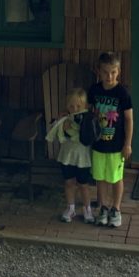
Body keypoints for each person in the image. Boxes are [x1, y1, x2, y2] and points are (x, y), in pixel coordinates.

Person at [87, 51, 133, 228]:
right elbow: (89, 114)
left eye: (113, 72)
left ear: (118, 71)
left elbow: (129, 119)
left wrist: (127, 143)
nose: (109, 76)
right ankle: (103, 207)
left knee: (116, 177)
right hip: (99, 143)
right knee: (100, 178)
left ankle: (116, 208)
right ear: (99, 71)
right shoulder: (94, 90)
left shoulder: (122, 93)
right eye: (106, 72)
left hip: (116, 144)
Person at [45, 87, 96, 223]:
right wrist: (62, 124)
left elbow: (87, 136)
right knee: (69, 182)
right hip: (67, 156)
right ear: (67, 107)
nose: (75, 109)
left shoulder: (87, 120)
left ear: (85, 106)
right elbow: (56, 130)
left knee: (83, 184)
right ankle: (70, 208)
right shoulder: (65, 120)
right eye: (71, 106)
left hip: (82, 158)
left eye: (78, 106)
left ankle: (87, 209)